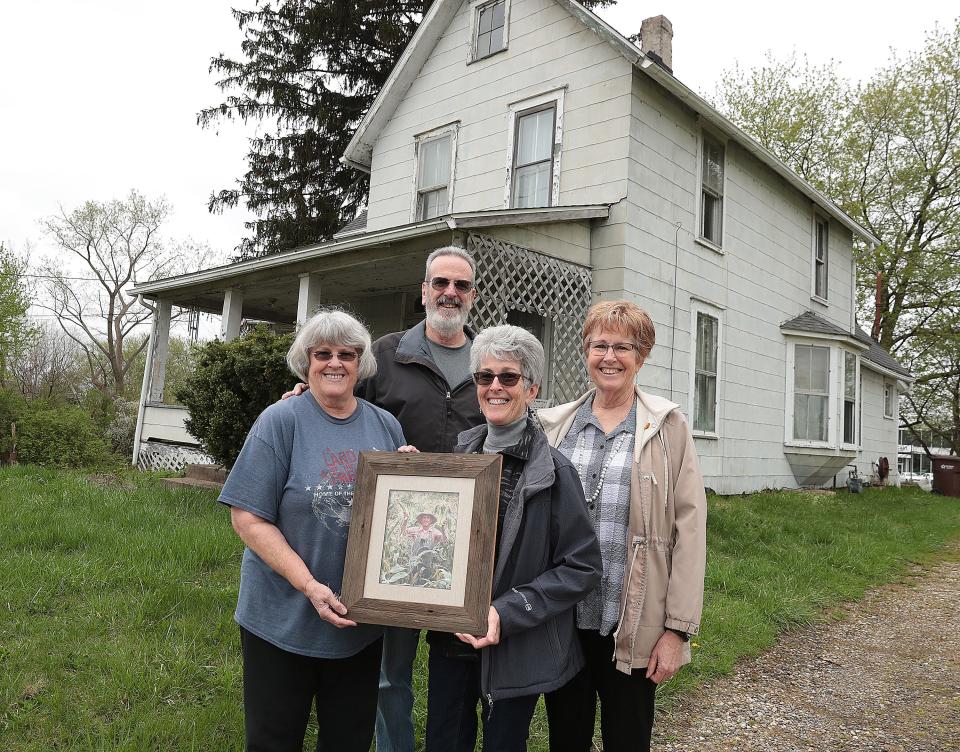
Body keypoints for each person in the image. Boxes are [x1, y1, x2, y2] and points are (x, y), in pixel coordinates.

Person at [285, 246, 484, 752]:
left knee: (458, 675)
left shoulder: (488, 362)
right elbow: (337, 398)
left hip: (466, 548)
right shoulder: (385, 355)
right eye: (440, 282)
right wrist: (298, 399)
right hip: (387, 551)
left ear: (473, 296)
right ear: (423, 291)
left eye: (461, 285)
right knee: (389, 675)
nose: (449, 293)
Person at [219, 308, 415, 752]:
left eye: (347, 354)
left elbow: (398, 523)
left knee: (348, 740)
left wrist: (415, 479)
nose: (335, 363)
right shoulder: (280, 420)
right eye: (322, 353)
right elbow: (247, 517)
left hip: (357, 626)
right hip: (281, 619)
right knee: (274, 739)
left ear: (361, 363)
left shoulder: (385, 426)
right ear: (305, 361)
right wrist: (309, 585)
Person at [538, 300, 707, 752]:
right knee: (565, 739)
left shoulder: (667, 427)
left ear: (641, 355)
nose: (609, 357)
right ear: (585, 352)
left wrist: (677, 631)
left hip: (631, 624)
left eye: (622, 347)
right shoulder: (558, 426)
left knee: (627, 740)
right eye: (599, 346)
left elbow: (689, 530)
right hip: (565, 622)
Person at [425, 324, 602, 752]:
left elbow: (583, 567)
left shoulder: (555, 472)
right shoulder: (458, 457)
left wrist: (506, 613)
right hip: (451, 639)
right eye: (485, 377)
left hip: (513, 644)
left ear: (531, 387)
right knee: (443, 742)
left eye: (509, 377)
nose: (495, 387)